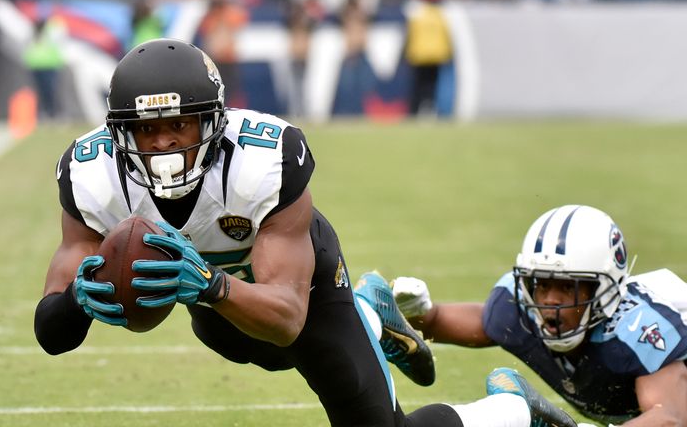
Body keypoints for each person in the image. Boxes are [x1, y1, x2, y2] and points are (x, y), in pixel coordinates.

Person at [33, 38, 578, 427]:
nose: (163, 145)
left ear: (213, 122)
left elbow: (288, 321)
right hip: (218, 311)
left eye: (179, 125)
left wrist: (208, 284)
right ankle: (374, 312)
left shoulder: (264, 159)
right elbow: (51, 333)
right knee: (257, 351)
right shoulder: (91, 174)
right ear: (120, 133)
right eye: (147, 130)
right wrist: (79, 300)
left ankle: (510, 408)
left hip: (301, 289)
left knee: (341, 387)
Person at [389, 204, 687, 426]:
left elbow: (670, 417)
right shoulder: (519, 311)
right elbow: (449, 323)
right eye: (541, 284)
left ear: (605, 290)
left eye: (567, 288)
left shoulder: (639, 330)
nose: (550, 302)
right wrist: (419, 312)